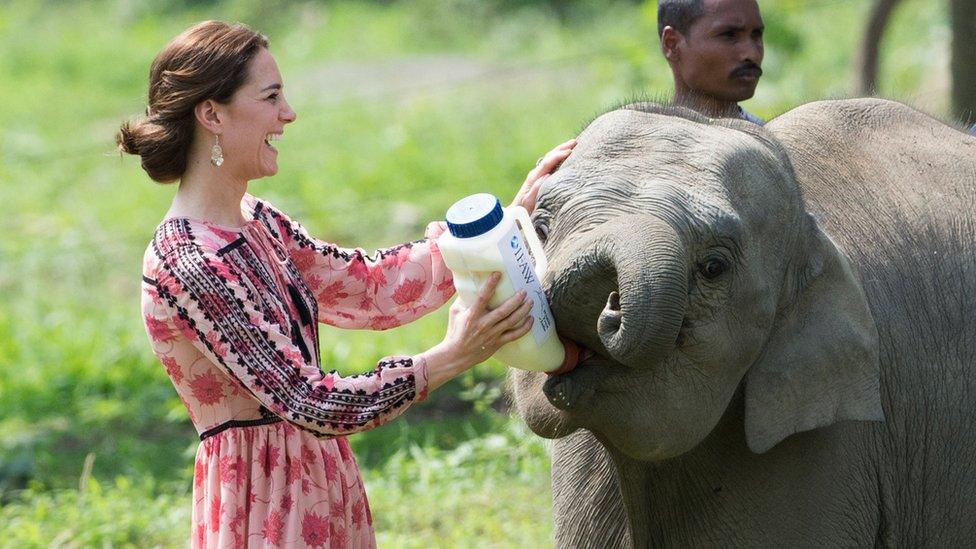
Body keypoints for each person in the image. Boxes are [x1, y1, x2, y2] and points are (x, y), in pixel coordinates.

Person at [119, 20, 574, 548]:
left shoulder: (257, 220)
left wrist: (498, 229)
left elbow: (371, 287)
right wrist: (451, 357)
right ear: (212, 114)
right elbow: (311, 402)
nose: (288, 113)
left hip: (319, 482)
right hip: (265, 507)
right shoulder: (189, 262)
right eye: (271, 97)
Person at [658, 0, 766, 124]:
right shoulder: (641, 139)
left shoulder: (774, 140)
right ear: (671, 44)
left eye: (756, 35)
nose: (752, 54)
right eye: (729, 35)